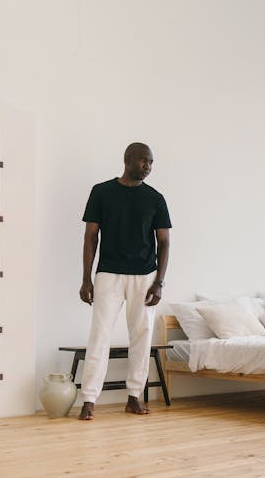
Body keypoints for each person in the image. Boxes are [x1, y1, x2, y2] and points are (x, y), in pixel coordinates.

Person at [77, 142, 171, 421]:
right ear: (128, 159)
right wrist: (86, 278)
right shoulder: (101, 192)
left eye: (151, 162)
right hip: (109, 273)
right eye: (144, 160)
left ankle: (133, 397)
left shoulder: (156, 198)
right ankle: (89, 400)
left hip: (145, 276)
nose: (148, 166)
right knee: (99, 336)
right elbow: (90, 237)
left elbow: (164, 242)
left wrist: (159, 282)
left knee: (141, 338)